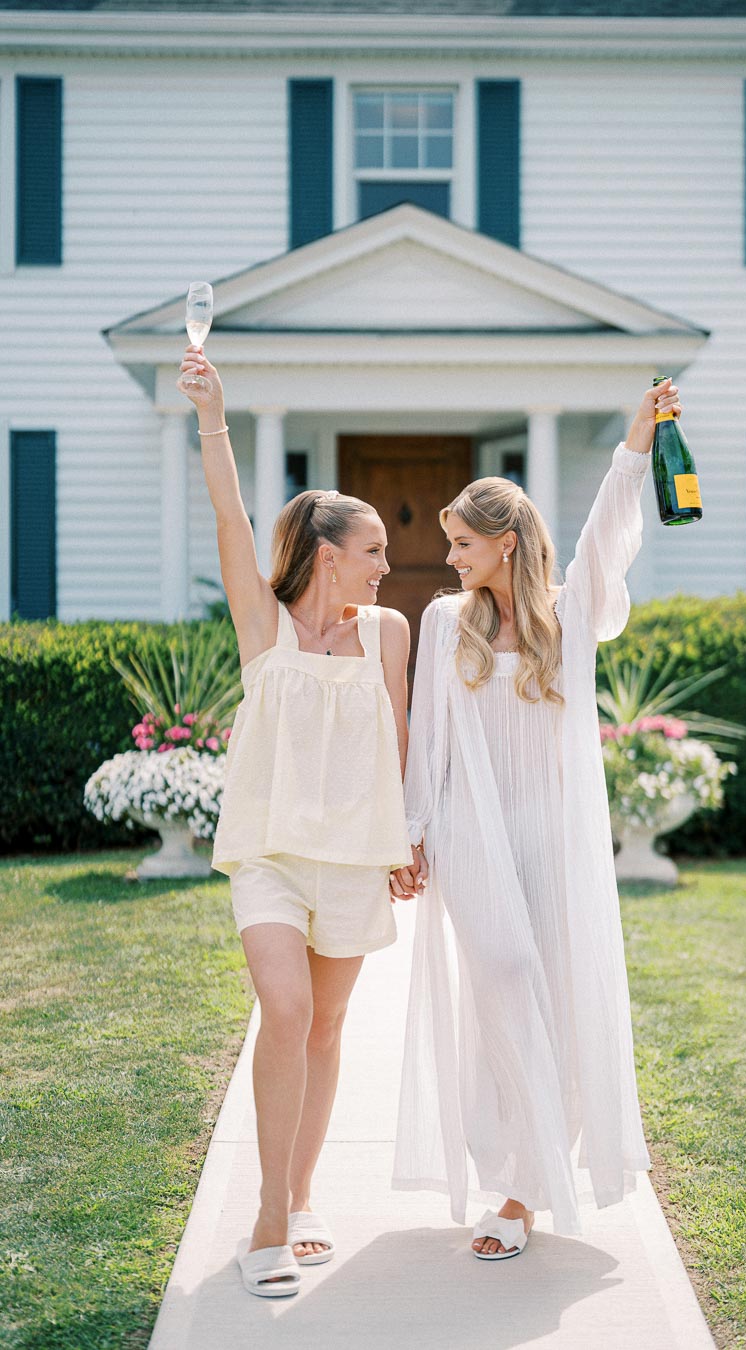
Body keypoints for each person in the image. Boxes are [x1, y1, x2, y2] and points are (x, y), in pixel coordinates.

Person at [394, 379, 683, 1258]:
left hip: (552, 844)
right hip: (470, 839)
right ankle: (520, 1181)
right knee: (507, 984)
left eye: (461, 541)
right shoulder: (445, 623)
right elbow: (429, 740)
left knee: (550, 994)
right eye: (447, 541)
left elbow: (604, 538)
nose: (448, 556)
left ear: (506, 542)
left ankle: (524, 1184)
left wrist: (637, 442)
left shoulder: (569, 618)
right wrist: (409, 835)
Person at [178, 345, 417, 1296]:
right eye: (374, 553)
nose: (388, 566)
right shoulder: (263, 625)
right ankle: (268, 1213)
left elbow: (403, 746)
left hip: (355, 858)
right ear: (329, 555)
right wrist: (214, 415)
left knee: (325, 1028)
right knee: (284, 1010)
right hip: (271, 854)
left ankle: (304, 1193)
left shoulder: (390, 633)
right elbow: (231, 518)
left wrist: (408, 841)